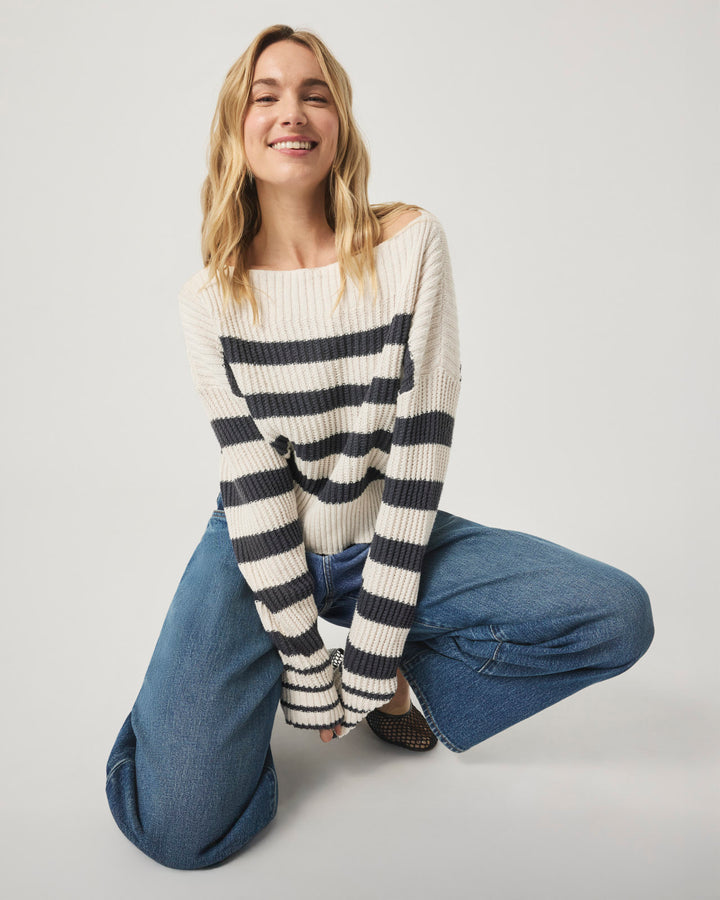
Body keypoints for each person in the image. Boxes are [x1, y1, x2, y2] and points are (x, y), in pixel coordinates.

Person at [105, 24, 655, 870]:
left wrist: (375, 648)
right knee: (177, 830)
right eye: (266, 96)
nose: (292, 112)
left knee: (615, 615)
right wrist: (303, 656)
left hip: (385, 528)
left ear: (341, 120)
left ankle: (403, 676)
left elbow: (420, 451)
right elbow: (252, 480)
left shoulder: (410, 245)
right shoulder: (209, 299)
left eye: (315, 94)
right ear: (236, 128)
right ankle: (225, 691)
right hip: (258, 545)